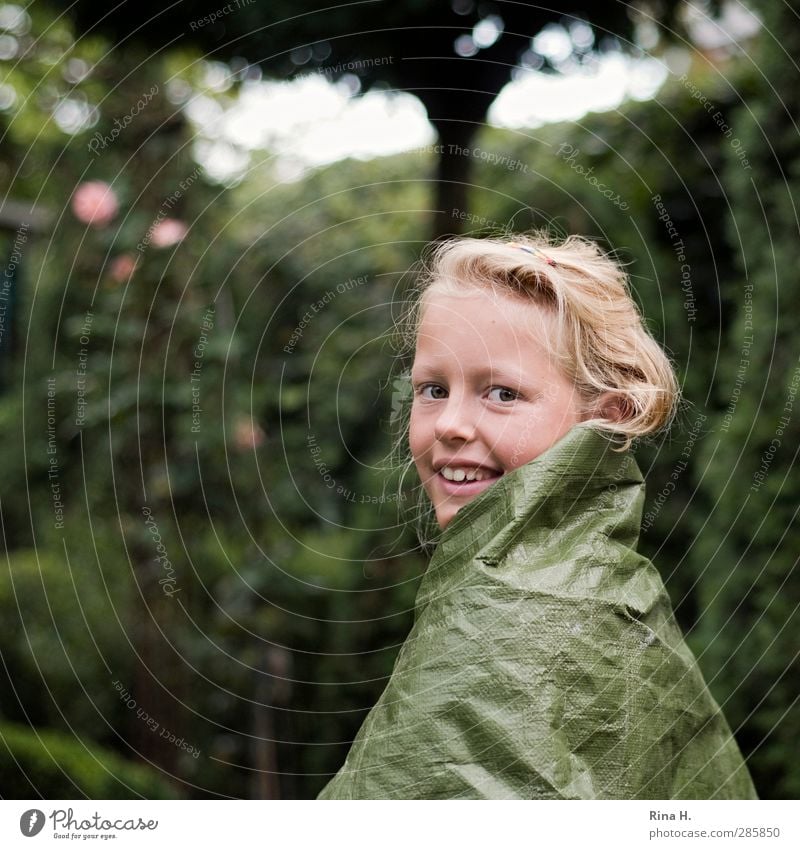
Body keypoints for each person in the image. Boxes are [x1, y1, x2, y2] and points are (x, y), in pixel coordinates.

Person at [318, 233, 757, 800]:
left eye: (501, 393)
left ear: (606, 415)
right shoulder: (603, 579)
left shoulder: (508, 619)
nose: (449, 423)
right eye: (432, 388)